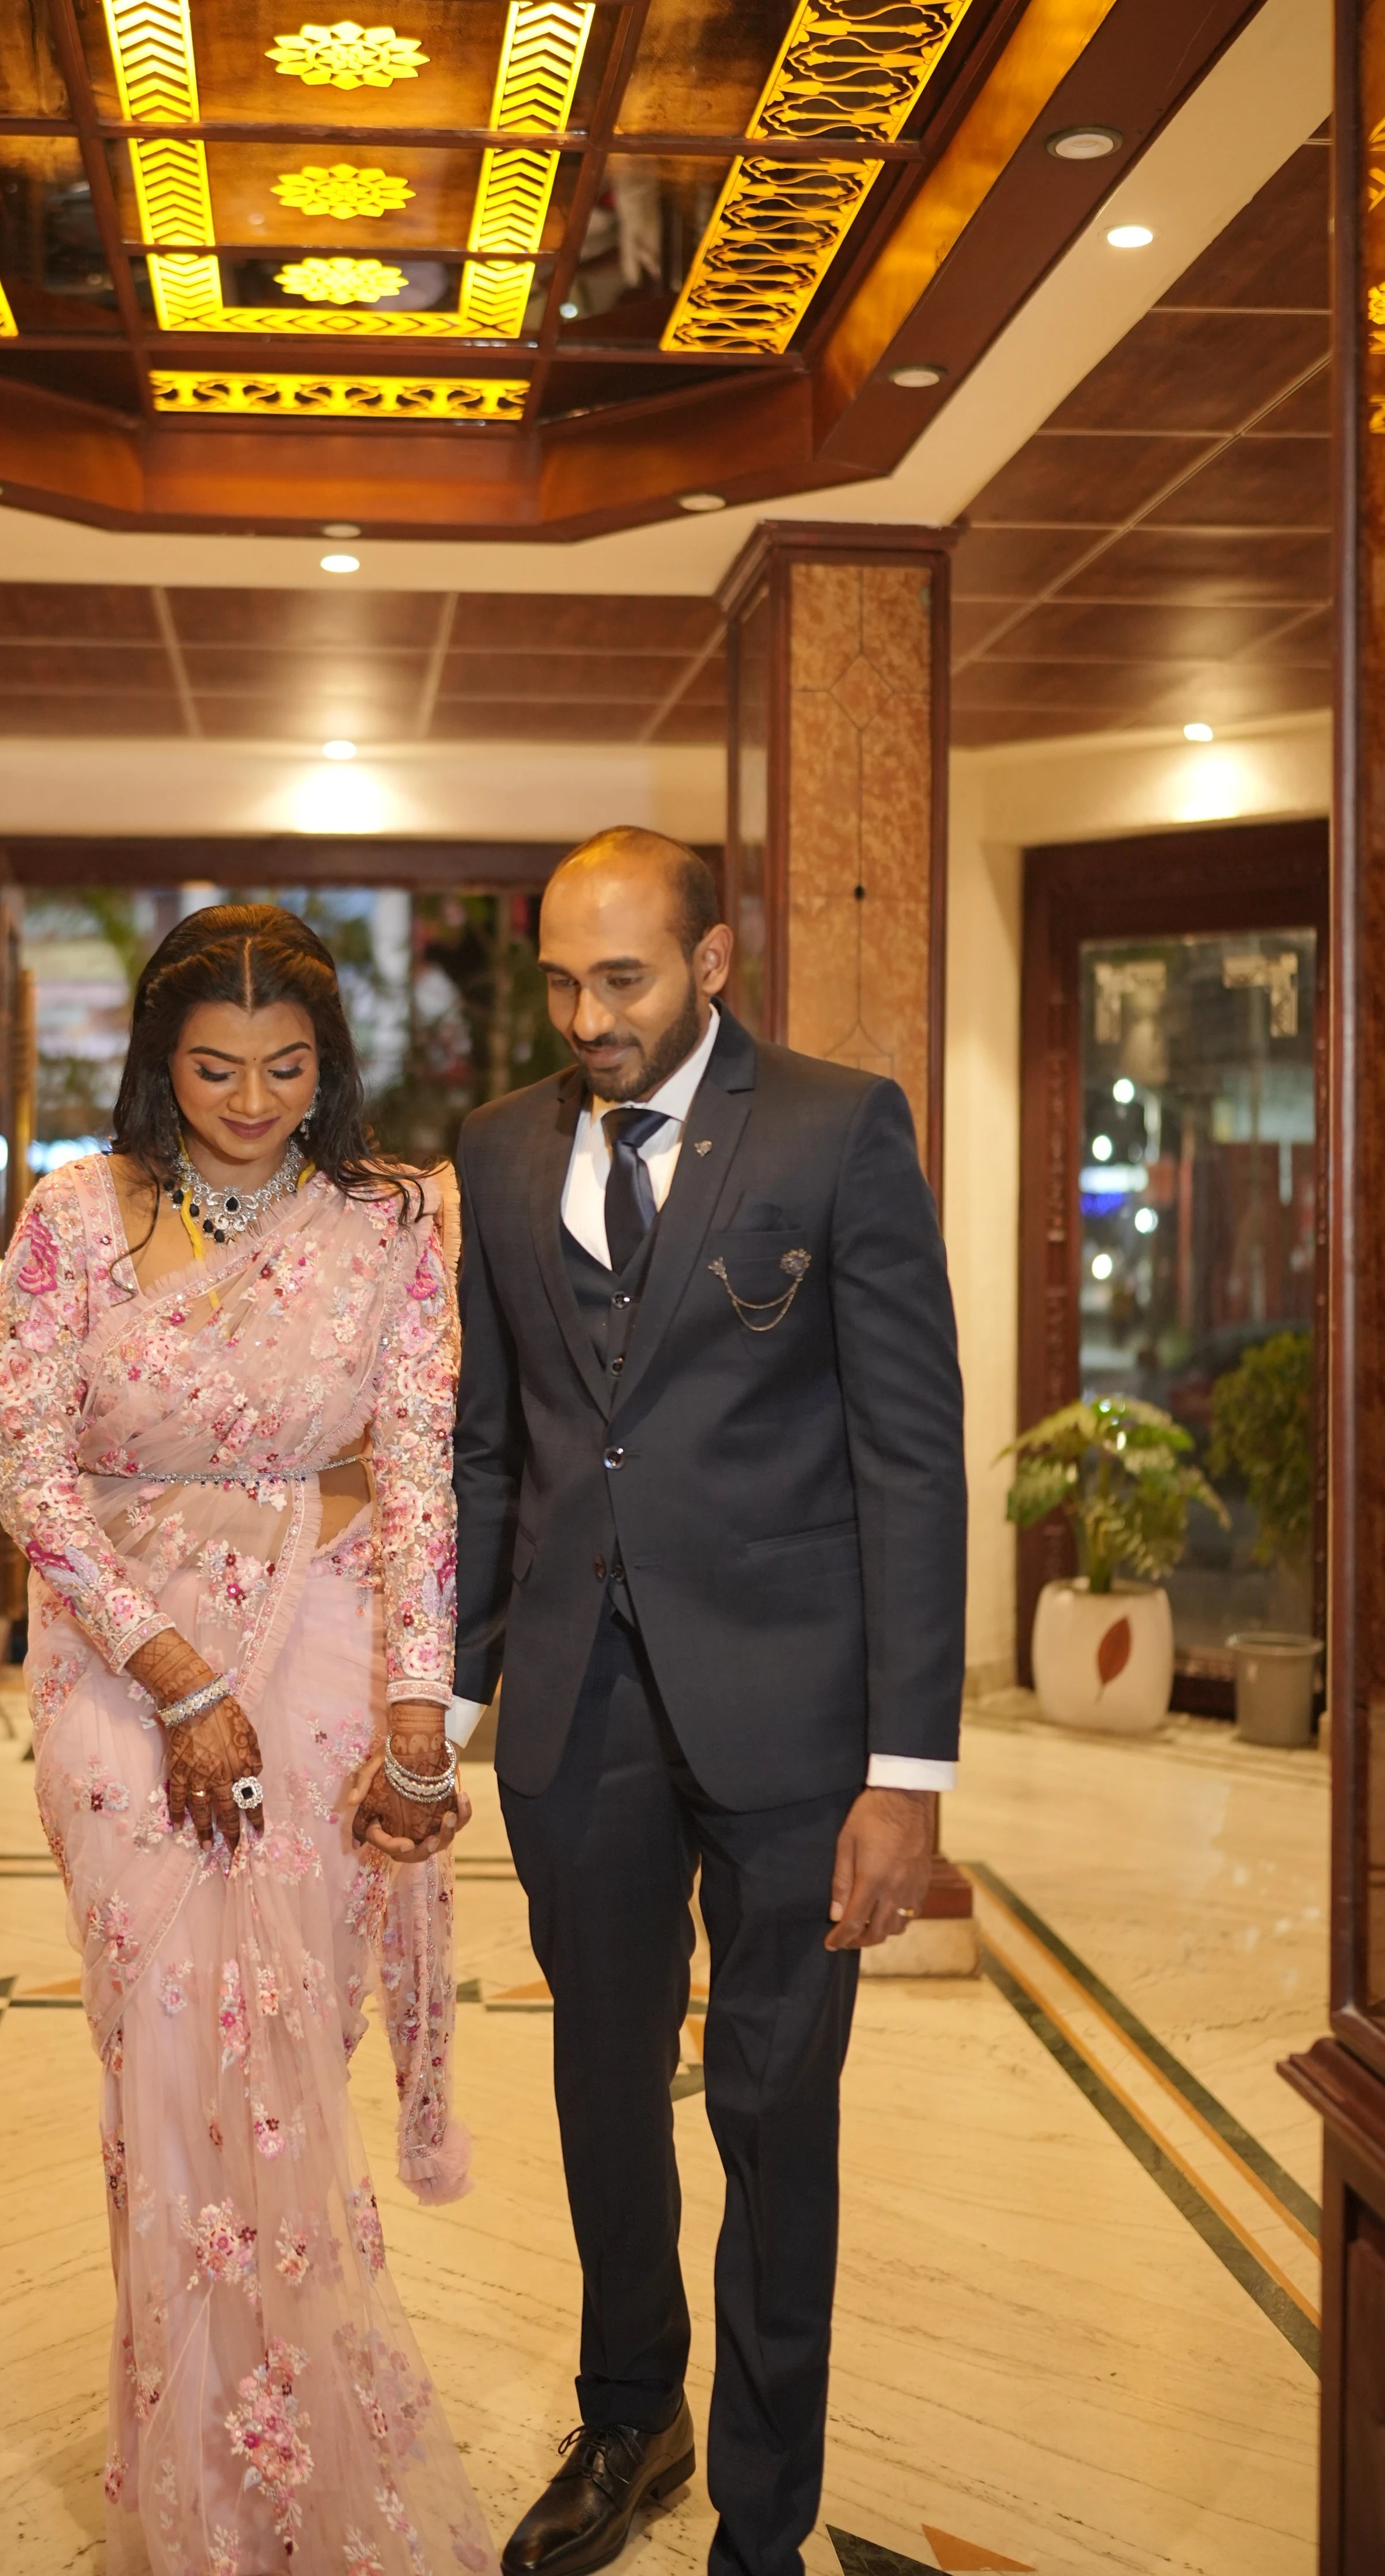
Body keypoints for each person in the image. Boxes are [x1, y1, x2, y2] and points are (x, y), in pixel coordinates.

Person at [451, 828, 965, 2576]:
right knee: (602, 2086)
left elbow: (910, 1455)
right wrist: (446, 1694)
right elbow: (486, 1448)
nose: (586, 1016)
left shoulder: (837, 1126)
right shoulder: (499, 1148)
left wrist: (906, 1772)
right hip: (573, 1718)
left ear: (716, 957)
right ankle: (628, 2417)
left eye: (624, 978)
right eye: (559, 980)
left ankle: (761, 2514)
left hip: (793, 1733)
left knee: (770, 2111)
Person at [0, 903, 494, 2576]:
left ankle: (291, 2448)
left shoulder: (389, 1225)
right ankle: (193, 2479)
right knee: (169, 2053)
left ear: (328, 1064)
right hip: (125, 1664)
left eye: (287, 1068)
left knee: (286, 2069)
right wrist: (176, 1673)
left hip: (328, 1648)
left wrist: (419, 1716)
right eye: (214, 1066)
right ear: (158, 1058)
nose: (251, 1099)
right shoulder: (73, 1218)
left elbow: (422, 1477)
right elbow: (30, 1477)